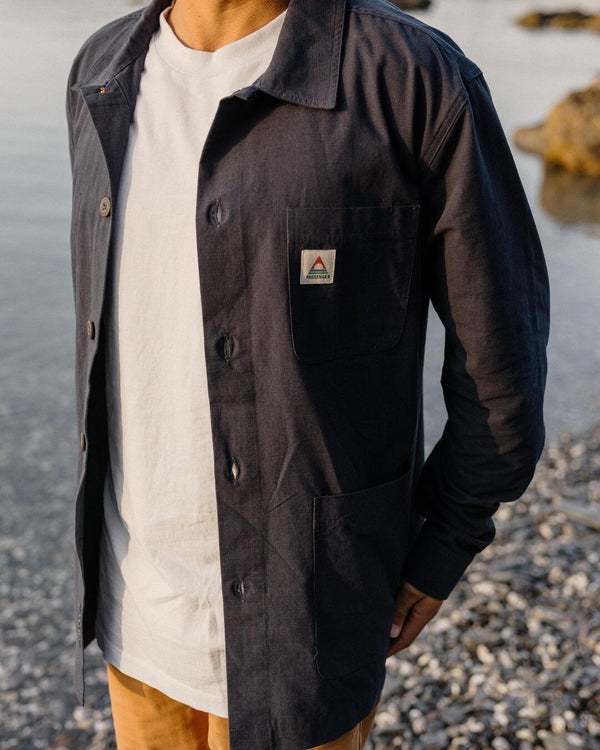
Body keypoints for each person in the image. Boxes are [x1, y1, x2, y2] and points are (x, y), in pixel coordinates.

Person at [66, 0, 549, 748]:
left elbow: (501, 361)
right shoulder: (101, 71)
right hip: (135, 618)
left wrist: (444, 542)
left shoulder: (412, 80)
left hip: (306, 631)